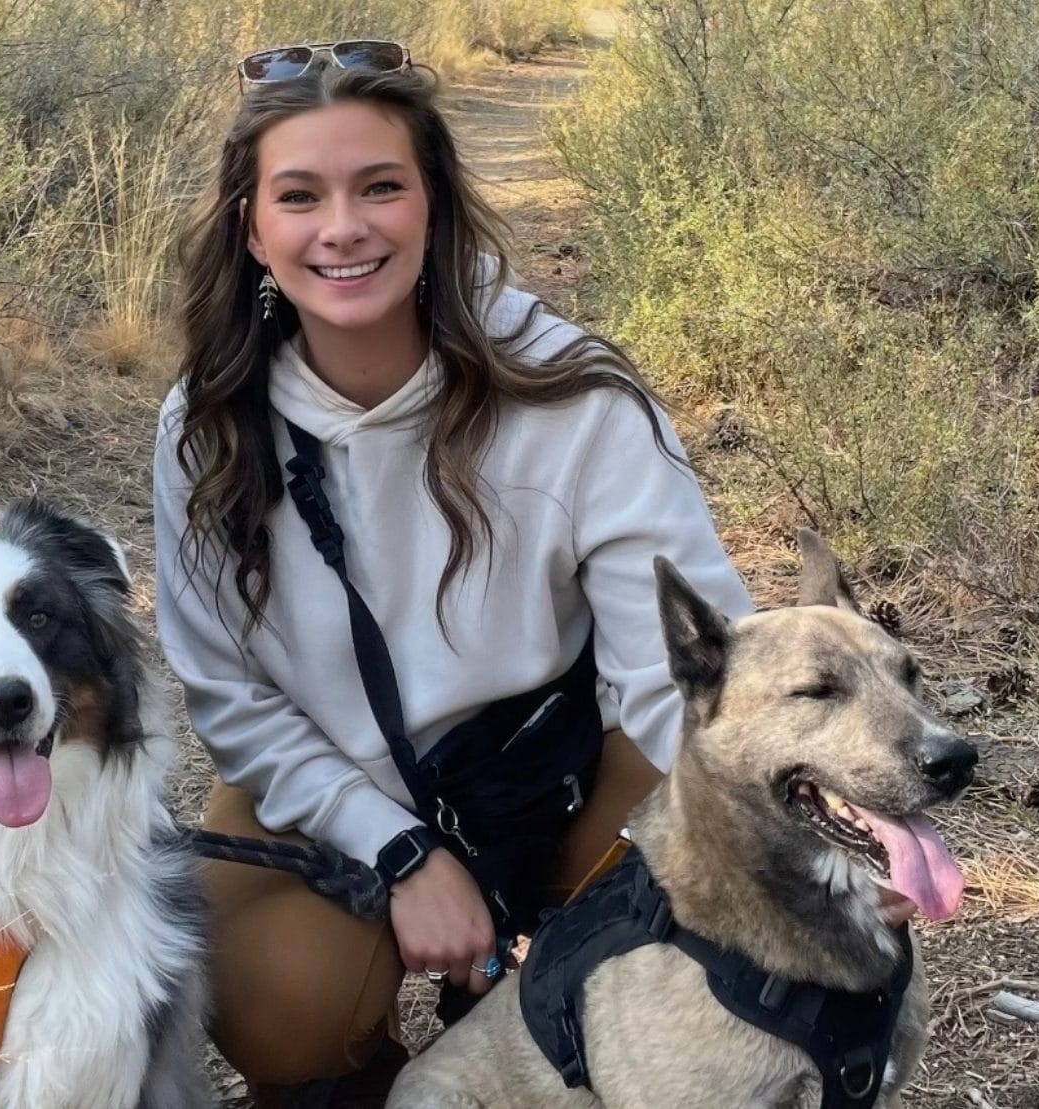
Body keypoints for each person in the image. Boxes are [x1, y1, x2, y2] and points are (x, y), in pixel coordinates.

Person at [151, 41, 755, 1107]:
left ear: (434, 205)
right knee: (271, 995)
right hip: (336, 774)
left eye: (380, 186)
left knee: (700, 929)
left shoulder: (576, 399)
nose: (342, 228)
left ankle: (546, 1032)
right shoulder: (206, 426)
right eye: (300, 195)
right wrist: (399, 853)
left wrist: (759, 847)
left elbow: (683, 672)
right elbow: (232, 700)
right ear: (252, 227)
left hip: (556, 764)